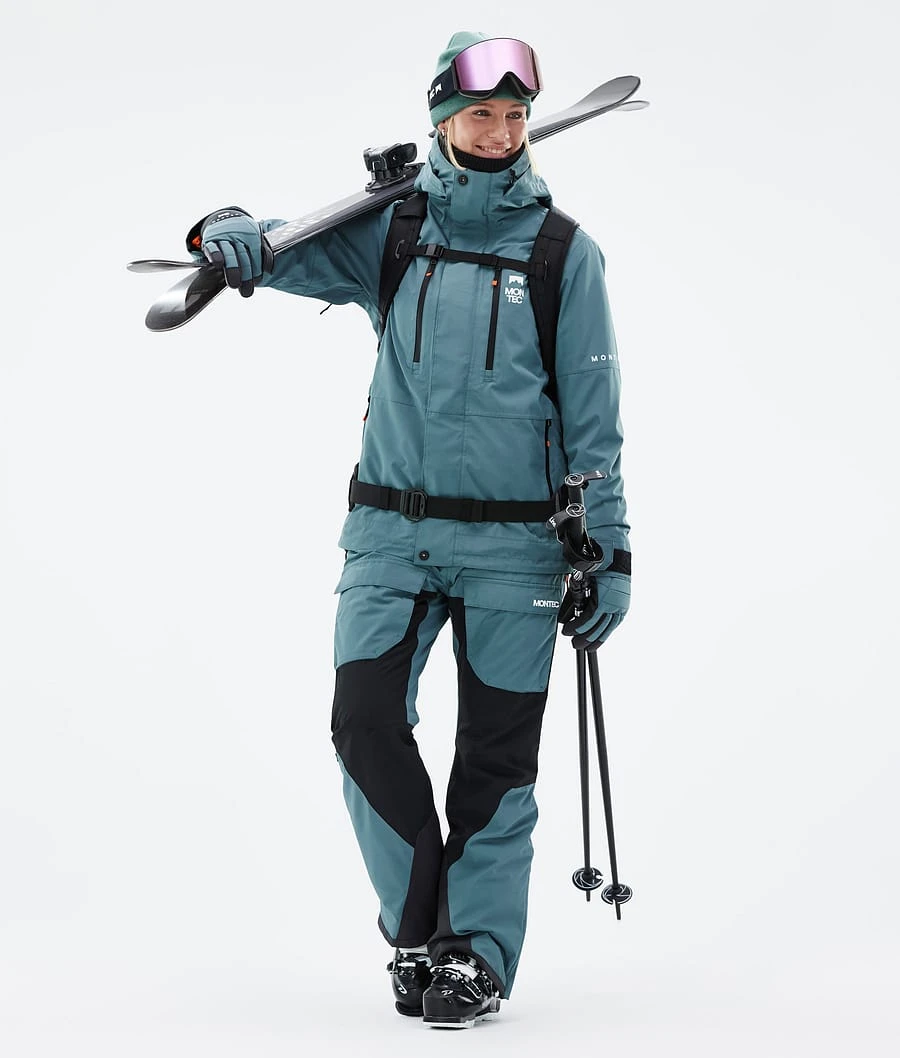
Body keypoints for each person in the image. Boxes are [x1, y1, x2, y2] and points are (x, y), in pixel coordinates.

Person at [189, 31, 631, 1028]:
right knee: (363, 724)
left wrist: (608, 552)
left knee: (495, 761)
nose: (502, 132)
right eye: (481, 114)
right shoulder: (392, 232)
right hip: (391, 537)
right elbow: (287, 248)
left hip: (519, 550)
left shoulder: (564, 254)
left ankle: (473, 955)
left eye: (515, 117)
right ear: (442, 119)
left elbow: (596, 424)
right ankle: (423, 930)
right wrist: (230, 229)